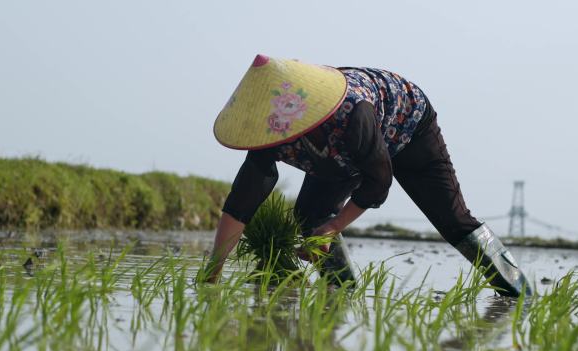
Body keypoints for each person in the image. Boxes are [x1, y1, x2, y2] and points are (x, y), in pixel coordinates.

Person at [205, 54, 531, 297]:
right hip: (342, 154)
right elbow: (242, 203)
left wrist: (334, 228)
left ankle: (520, 295)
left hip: (408, 127)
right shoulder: (271, 130)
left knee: (453, 221)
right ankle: (340, 291)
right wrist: (211, 274)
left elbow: (378, 181)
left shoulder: (352, 115)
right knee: (310, 215)